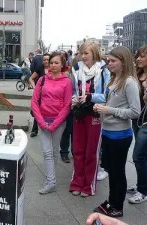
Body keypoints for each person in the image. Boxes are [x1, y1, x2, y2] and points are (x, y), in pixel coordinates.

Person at [93, 46, 141, 217]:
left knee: (117, 172)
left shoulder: (129, 82)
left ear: (124, 61)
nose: (109, 63)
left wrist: (109, 110)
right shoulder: (114, 79)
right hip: (107, 132)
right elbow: (112, 103)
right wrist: (100, 105)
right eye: (108, 60)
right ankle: (112, 201)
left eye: (113, 61)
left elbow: (135, 112)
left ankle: (117, 206)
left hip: (120, 135)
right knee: (112, 171)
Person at [69, 42, 111, 197]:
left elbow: (106, 95)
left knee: (91, 152)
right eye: (81, 53)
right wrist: (74, 98)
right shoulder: (76, 68)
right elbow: (74, 91)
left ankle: (88, 186)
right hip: (79, 112)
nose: (83, 56)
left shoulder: (104, 70)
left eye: (86, 53)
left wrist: (90, 96)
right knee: (78, 150)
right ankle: (77, 183)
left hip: (94, 113)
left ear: (94, 53)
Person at [31, 51, 73, 194]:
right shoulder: (42, 80)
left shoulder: (67, 82)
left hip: (58, 123)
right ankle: (51, 182)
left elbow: (67, 105)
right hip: (43, 120)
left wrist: (55, 124)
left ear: (62, 65)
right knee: (47, 152)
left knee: (54, 151)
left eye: (56, 63)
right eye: (51, 62)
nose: (53, 65)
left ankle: (51, 179)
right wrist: (41, 122)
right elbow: (34, 102)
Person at [127, 45, 147, 204]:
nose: (138, 59)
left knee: (138, 156)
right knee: (143, 156)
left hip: (146, 123)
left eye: (142, 56)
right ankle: (142, 185)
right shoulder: (137, 75)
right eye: (137, 56)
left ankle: (142, 191)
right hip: (136, 120)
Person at [29, 53, 50, 137]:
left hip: (50, 95)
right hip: (40, 94)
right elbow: (31, 78)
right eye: (44, 60)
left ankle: (48, 128)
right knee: (37, 111)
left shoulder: (53, 68)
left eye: (47, 59)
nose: (45, 61)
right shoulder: (40, 68)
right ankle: (34, 130)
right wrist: (34, 87)